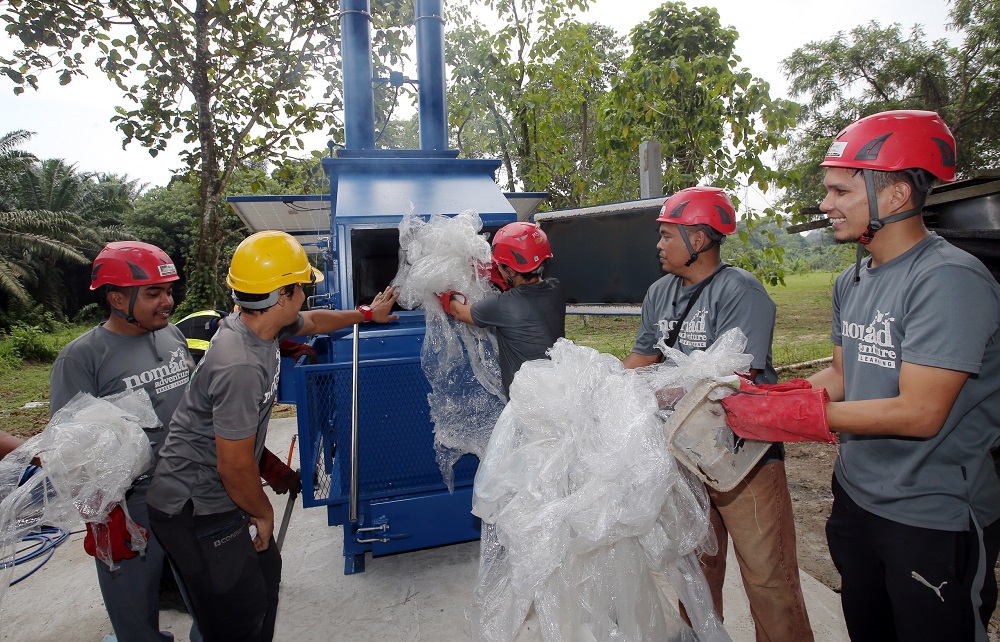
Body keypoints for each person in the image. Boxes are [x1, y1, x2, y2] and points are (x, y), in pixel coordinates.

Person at [723, 110, 1000, 642]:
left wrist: (800, 416)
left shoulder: (946, 280)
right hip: (858, 498)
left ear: (894, 196)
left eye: (839, 191)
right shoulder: (855, 277)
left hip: (931, 515)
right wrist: (771, 396)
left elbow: (921, 413)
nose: (825, 204)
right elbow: (842, 375)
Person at [147, 230, 399, 642]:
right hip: (192, 504)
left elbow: (315, 321)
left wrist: (367, 314)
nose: (306, 294)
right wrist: (262, 512)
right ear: (283, 295)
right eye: (302, 286)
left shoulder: (258, 325)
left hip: (216, 494)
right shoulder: (240, 364)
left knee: (262, 580)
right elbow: (234, 465)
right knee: (237, 613)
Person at [622, 186, 814, 642]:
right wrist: (601, 391)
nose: (659, 245)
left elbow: (733, 380)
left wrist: (659, 393)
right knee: (695, 566)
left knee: (768, 575)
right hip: (685, 454)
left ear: (700, 241)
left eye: (668, 235)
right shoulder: (659, 293)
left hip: (742, 458)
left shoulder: (740, 292)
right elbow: (641, 360)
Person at [49, 241, 200, 642]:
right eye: (153, 293)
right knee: (133, 611)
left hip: (186, 488)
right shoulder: (81, 358)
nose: (166, 302)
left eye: (168, 291)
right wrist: (101, 516)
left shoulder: (172, 337)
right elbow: (71, 449)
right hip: (128, 505)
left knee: (206, 594)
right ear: (117, 298)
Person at [440, 221, 566, 396]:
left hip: (527, 402)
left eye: (499, 265)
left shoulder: (502, 304)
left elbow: (458, 311)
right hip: (557, 389)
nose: (496, 267)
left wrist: (441, 290)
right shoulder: (556, 289)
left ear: (511, 271)